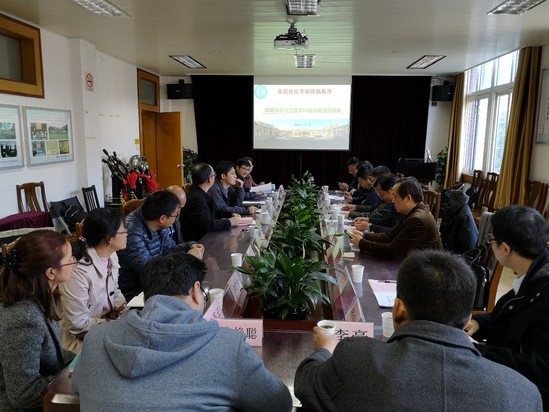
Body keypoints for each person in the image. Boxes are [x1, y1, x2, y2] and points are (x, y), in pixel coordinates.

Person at [294, 250, 543, 411]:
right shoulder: (523, 395)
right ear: (468, 318)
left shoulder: (356, 359)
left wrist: (325, 350)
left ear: (398, 309)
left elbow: (306, 383)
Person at [72, 252, 293, 411]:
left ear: (146, 299)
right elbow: (279, 403)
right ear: (196, 291)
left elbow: (77, 387)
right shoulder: (229, 347)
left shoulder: (96, 339)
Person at [465, 205, 549, 406]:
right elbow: (511, 318)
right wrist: (478, 323)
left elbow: (542, 370)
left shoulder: (543, 293)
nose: (491, 245)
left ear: (505, 249)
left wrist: (478, 352)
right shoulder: (533, 275)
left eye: (491, 240)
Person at [0, 230, 76, 411]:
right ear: (51, 272)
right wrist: (70, 377)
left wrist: (83, 360)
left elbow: (52, 356)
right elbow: (23, 395)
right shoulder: (23, 318)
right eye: (70, 260)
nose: (75, 263)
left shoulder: (43, 296)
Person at [58, 208, 128, 353]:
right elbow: (78, 325)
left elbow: (114, 290)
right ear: (109, 237)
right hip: (81, 340)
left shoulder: (111, 255)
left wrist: (124, 311)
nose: (127, 234)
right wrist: (115, 325)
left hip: (105, 325)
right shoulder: (78, 271)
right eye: (123, 231)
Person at [117, 190, 204, 301]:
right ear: (162, 218)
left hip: (156, 284)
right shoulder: (132, 234)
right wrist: (189, 258)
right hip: (136, 293)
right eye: (175, 216)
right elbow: (150, 272)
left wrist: (190, 246)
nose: (176, 219)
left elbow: (169, 249)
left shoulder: (156, 222)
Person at [350, 177, 442, 260]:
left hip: (431, 268)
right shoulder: (409, 211)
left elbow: (393, 251)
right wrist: (364, 236)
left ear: (408, 198)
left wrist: (361, 243)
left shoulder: (417, 219)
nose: (393, 201)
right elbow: (391, 236)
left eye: (395, 197)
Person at [180, 163, 240, 242]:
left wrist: (230, 214)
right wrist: (230, 222)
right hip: (198, 242)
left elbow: (216, 211)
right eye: (214, 175)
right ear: (209, 179)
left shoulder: (203, 192)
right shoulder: (195, 197)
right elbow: (206, 224)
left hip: (207, 236)